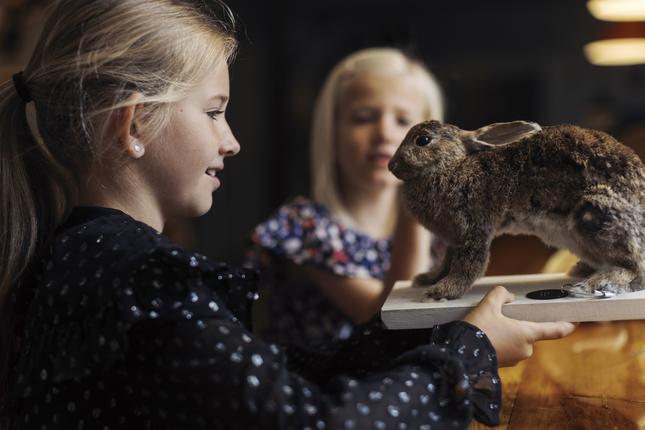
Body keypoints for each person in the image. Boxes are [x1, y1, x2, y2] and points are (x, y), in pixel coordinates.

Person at [0, 1, 575, 429]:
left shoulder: (88, 259)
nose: (232, 142)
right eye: (215, 112)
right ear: (134, 125)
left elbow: (273, 373)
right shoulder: (144, 280)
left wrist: (447, 335)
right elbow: (318, 422)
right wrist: (466, 352)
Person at [248, 48, 445, 346]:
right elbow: (391, 319)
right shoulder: (304, 225)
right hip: (323, 389)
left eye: (404, 121)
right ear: (333, 131)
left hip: (405, 386)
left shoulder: (437, 234)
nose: (385, 134)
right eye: (364, 118)